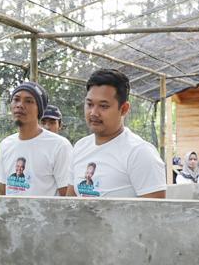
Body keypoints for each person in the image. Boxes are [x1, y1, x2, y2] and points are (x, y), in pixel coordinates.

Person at [67, 69, 166, 199]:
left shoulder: (140, 153)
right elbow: (68, 205)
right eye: (89, 104)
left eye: (104, 106)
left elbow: (155, 214)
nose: (93, 113)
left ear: (124, 109)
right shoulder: (80, 147)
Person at [0, 82, 71, 196]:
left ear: (39, 110)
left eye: (29, 101)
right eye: (16, 99)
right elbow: (2, 192)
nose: (20, 105)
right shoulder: (6, 144)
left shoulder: (59, 146)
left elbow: (67, 197)